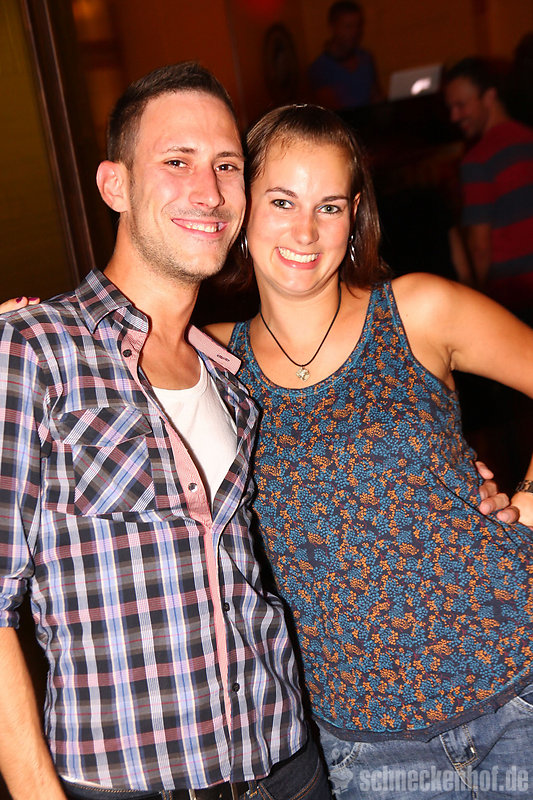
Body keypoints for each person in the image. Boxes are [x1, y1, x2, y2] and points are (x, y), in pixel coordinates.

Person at [0, 64, 331, 800]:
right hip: (130, 782)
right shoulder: (34, 350)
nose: (208, 191)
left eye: (227, 166)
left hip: (289, 765)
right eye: (177, 161)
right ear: (114, 185)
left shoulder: (232, 377)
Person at [204, 103, 533, 798]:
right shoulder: (209, 359)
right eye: (282, 201)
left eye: (328, 207)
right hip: (369, 746)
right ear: (241, 208)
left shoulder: (417, 309)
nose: (304, 231)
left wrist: (530, 504)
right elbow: (91, 351)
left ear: (353, 215)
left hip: (520, 686)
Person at [444, 56, 533, 323]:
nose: (454, 116)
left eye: (461, 105)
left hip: (513, 296)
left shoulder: (478, 160)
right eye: (451, 108)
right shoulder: (529, 138)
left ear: (489, 97)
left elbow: (480, 248)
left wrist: (479, 298)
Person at [308, 1, 381, 111]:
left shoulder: (365, 58)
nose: (354, 32)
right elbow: (332, 111)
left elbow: (376, 96)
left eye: (357, 26)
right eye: (348, 26)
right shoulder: (320, 68)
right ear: (333, 27)